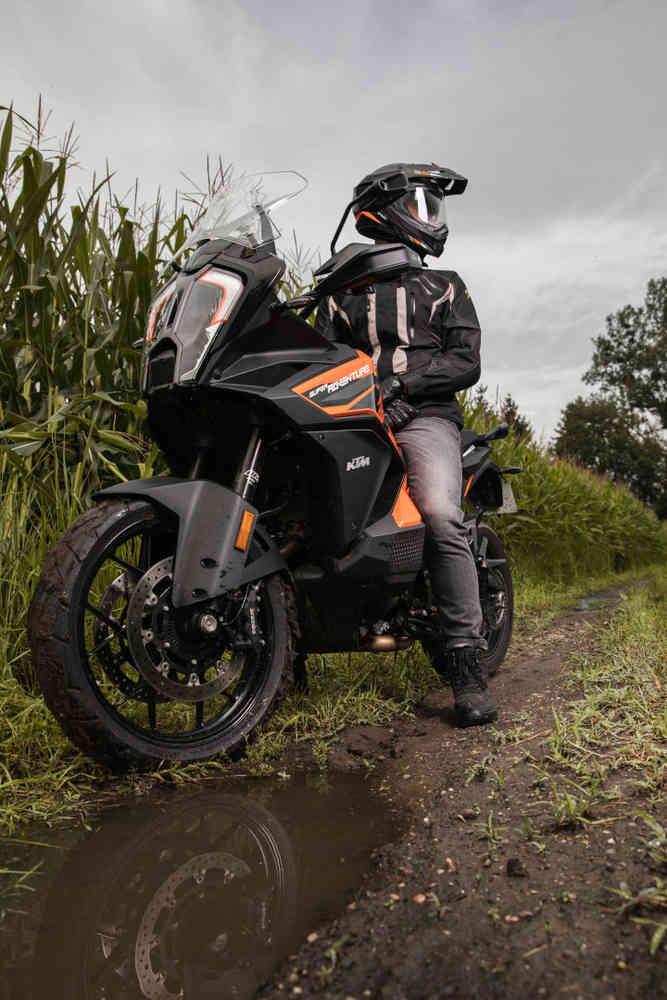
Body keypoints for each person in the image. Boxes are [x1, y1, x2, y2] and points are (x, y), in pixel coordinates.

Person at [314, 162, 497, 727]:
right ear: (384, 211)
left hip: (426, 419)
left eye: (432, 207)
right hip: (352, 420)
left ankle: (466, 663)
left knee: (440, 514)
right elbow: (320, 360)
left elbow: (465, 360)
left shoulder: (445, 285)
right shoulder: (337, 292)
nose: (431, 218)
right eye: (421, 205)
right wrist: (369, 395)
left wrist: (403, 387)